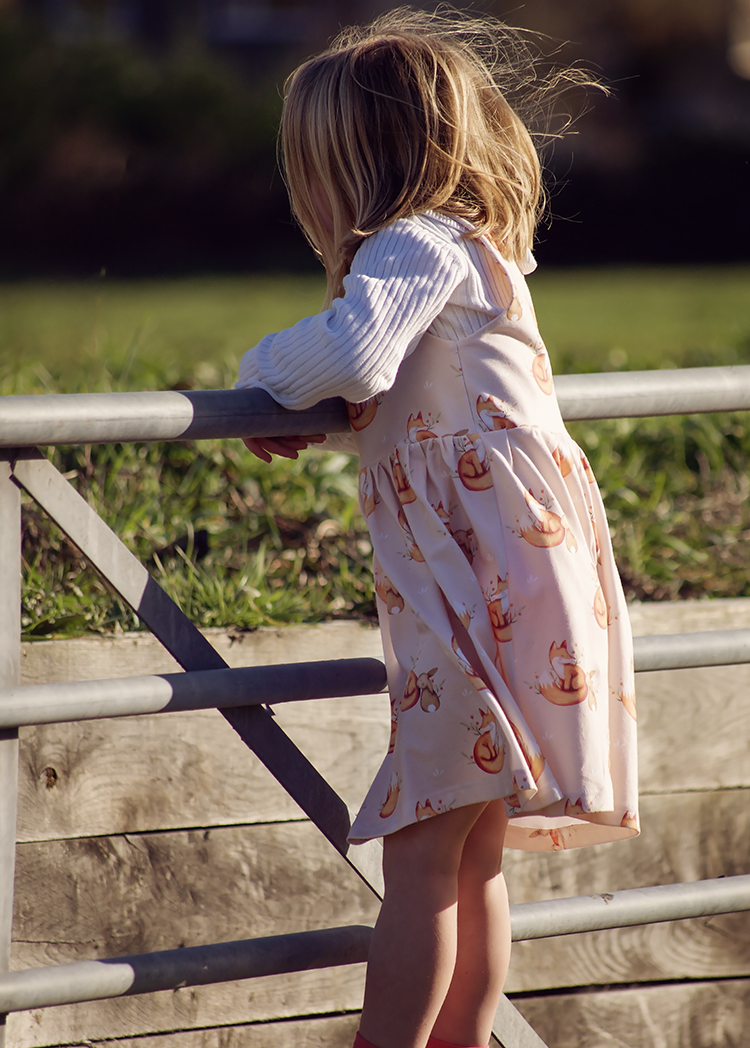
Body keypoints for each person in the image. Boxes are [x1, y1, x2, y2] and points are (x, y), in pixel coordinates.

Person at [234, 8, 638, 1048]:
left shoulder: (413, 242)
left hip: (478, 590)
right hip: (518, 576)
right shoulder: (478, 250)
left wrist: (259, 377)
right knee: (471, 852)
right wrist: (326, 414)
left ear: (352, 167)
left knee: (420, 852)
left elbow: (357, 353)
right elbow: (411, 387)